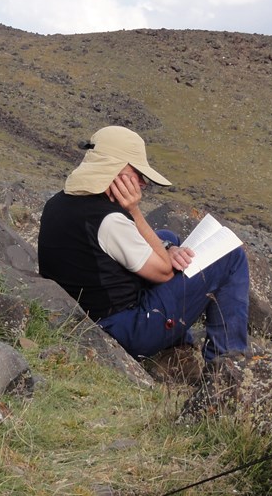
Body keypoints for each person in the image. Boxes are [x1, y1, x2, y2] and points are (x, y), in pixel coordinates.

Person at [37, 125, 250, 363]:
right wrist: (134, 211)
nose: (143, 182)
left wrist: (169, 248)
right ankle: (227, 365)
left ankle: (183, 343)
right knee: (231, 257)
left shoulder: (58, 202)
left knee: (169, 236)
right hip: (125, 329)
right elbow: (165, 273)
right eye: (137, 172)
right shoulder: (110, 221)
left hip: (87, 312)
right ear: (114, 168)